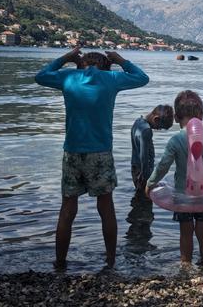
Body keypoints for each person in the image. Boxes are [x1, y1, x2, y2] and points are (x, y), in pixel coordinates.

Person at [34, 46, 149, 269]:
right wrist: (121, 60)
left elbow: (40, 77)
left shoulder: (68, 77)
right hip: (100, 154)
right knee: (106, 209)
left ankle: (60, 263)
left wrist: (65, 58)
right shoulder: (111, 79)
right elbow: (142, 78)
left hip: (72, 153)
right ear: (106, 67)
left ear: (79, 65)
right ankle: (111, 261)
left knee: (67, 210)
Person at [145, 90, 203, 267]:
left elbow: (163, 165)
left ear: (176, 118)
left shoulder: (176, 140)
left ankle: (186, 265)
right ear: (202, 115)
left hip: (182, 195)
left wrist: (150, 184)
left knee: (185, 232)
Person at [124, 104, 174, 257]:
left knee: (139, 201)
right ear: (156, 118)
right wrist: (148, 180)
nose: (157, 130)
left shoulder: (138, 122)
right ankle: (142, 239)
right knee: (146, 204)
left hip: (135, 168)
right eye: (160, 127)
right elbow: (144, 157)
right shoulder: (146, 131)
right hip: (143, 172)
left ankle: (135, 236)